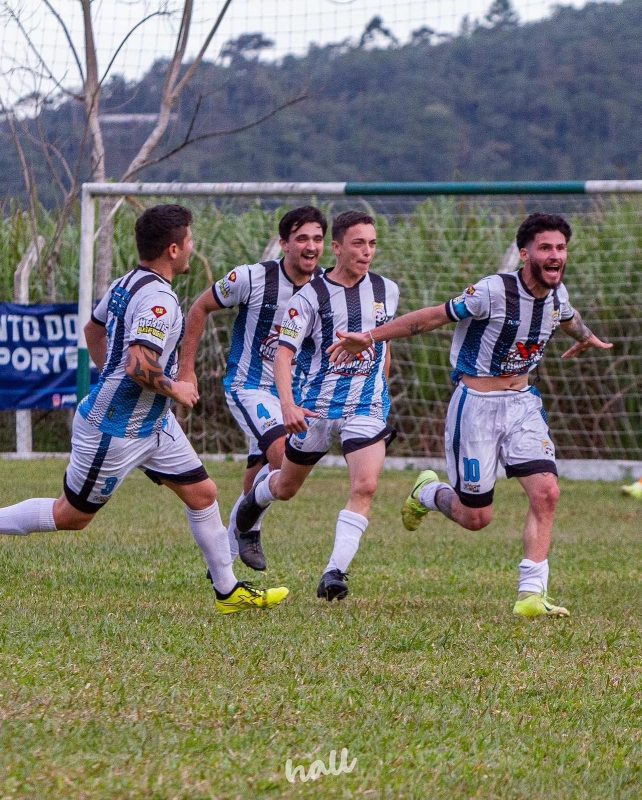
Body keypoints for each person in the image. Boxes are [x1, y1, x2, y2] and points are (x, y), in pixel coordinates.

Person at [0, 204, 288, 614]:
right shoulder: (160, 301)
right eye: (189, 241)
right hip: (113, 431)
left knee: (203, 493)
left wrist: (115, 377)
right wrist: (177, 389)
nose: (192, 247)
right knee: (72, 516)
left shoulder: (126, 282)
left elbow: (93, 329)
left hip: (153, 425)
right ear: (173, 249)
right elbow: (138, 363)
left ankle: (228, 592)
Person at [328, 212, 613, 618]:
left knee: (547, 492)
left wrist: (587, 338)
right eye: (546, 248)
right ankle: (427, 492)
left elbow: (567, 318)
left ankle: (531, 594)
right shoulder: (493, 291)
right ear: (524, 253)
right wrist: (370, 337)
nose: (555, 256)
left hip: (523, 405)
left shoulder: (557, 295)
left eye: (561, 248)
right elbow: (432, 317)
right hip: (475, 407)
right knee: (476, 518)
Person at [235, 210, 399, 601]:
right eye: (358, 243)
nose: (367, 251)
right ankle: (252, 504)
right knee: (285, 487)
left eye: (372, 243)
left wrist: (382, 384)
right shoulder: (309, 297)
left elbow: (383, 344)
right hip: (316, 409)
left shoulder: (386, 290)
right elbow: (283, 354)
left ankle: (334, 573)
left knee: (366, 485)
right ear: (338, 247)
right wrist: (288, 405)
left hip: (366, 407)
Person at [178, 206, 327, 571]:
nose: (311, 246)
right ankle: (251, 528)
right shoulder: (250, 278)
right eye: (302, 238)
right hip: (250, 387)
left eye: (318, 239)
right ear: (283, 243)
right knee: (283, 457)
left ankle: (224, 567)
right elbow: (199, 307)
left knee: (259, 471)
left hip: (294, 394)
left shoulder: (328, 287)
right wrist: (186, 370)